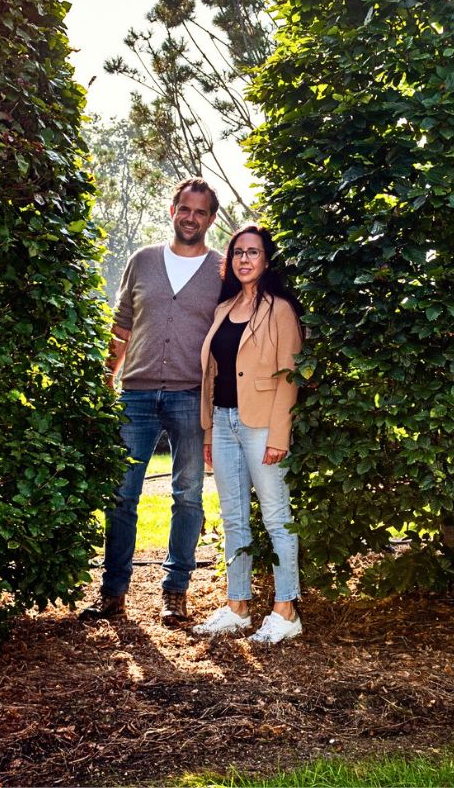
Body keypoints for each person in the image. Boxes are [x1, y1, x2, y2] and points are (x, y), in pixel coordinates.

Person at [82, 177, 222, 626]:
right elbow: (121, 324)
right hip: (137, 394)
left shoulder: (221, 270)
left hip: (189, 395)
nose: (191, 218)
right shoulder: (142, 261)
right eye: (185, 208)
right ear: (172, 209)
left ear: (211, 219)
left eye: (201, 212)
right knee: (122, 495)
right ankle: (113, 592)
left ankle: (175, 591)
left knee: (188, 497)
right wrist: (107, 377)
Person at [193, 225, 304, 644]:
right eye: (238, 252)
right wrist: (208, 430)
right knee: (235, 518)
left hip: (262, 426)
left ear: (266, 260)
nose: (244, 259)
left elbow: (288, 377)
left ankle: (286, 610)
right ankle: (238, 606)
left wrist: (280, 435)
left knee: (276, 517)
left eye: (253, 253)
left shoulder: (279, 310)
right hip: (222, 423)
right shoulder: (225, 308)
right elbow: (212, 373)